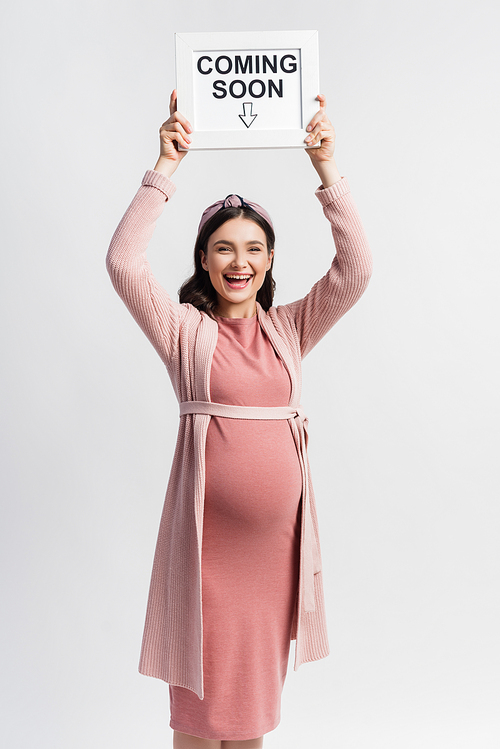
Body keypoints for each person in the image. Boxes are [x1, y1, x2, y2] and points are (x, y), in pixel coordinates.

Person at [106, 90, 372, 749]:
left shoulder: (289, 330)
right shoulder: (184, 333)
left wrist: (327, 167)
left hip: (269, 560)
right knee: (200, 724)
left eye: (254, 248)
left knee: (251, 722)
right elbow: (122, 262)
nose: (239, 261)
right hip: (205, 560)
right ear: (203, 259)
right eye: (223, 248)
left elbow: (357, 269)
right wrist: (163, 169)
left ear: (270, 261)